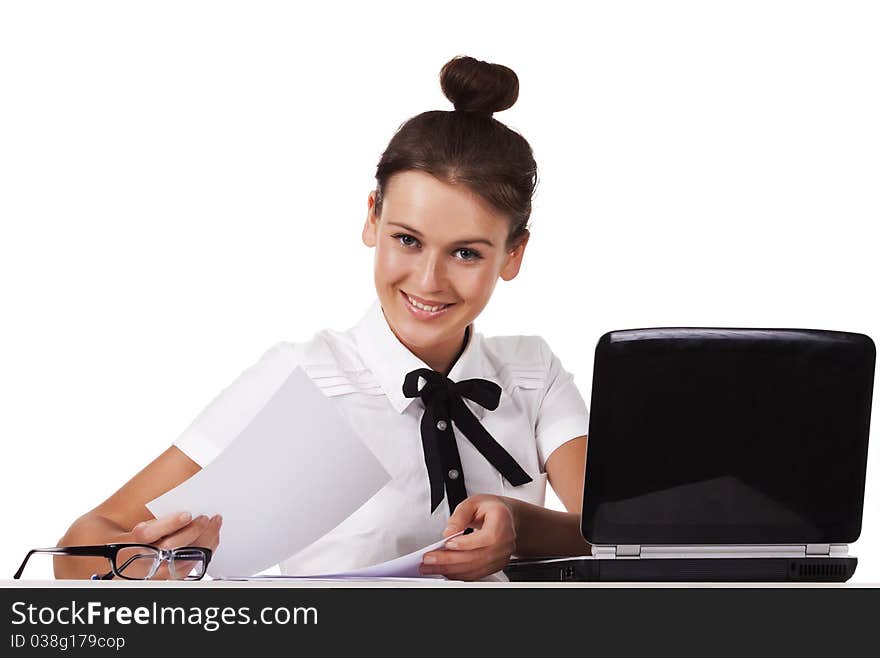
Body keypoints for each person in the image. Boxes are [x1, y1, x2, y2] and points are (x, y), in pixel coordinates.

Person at [55, 55, 592, 582]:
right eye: (407, 240)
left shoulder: (532, 374)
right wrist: (141, 567)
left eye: (466, 253)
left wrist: (522, 527)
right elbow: (78, 547)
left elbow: (633, 533)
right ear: (371, 219)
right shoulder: (305, 374)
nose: (429, 280)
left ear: (514, 255)